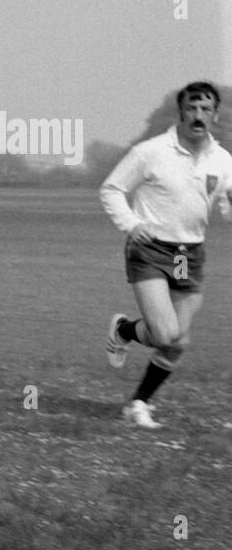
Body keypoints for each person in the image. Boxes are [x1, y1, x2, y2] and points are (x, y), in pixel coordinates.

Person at [102, 81, 232, 428]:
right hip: (150, 249)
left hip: (188, 255)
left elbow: (226, 207)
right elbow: (112, 189)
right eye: (192, 108)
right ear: (181, 112)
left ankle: (138, 403)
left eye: (206, 109)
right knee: (163, 334)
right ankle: (126, 330)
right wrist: (131, 223)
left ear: (215, 115)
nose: (199, 115)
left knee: (178, 341)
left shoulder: (222, 160)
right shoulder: (151, 151)